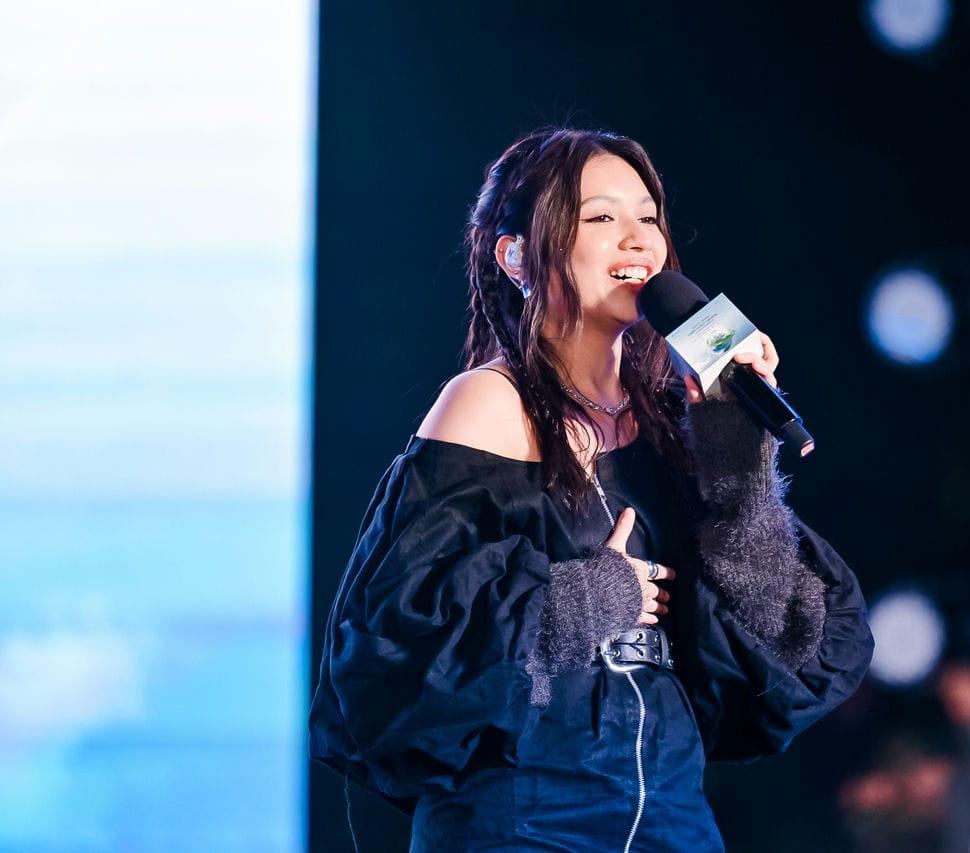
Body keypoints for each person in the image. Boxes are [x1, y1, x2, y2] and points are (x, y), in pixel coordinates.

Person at [309, 127, 874, 852]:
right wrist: (581, 601)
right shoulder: (486, 403)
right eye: (602, 217)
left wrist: (738, 450)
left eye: (648, 218)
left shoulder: (676, 423)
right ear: (516, 256)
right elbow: (397, 648)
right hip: (523, 823)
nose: (637, 239)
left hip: (672, 821)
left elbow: (778, 641)